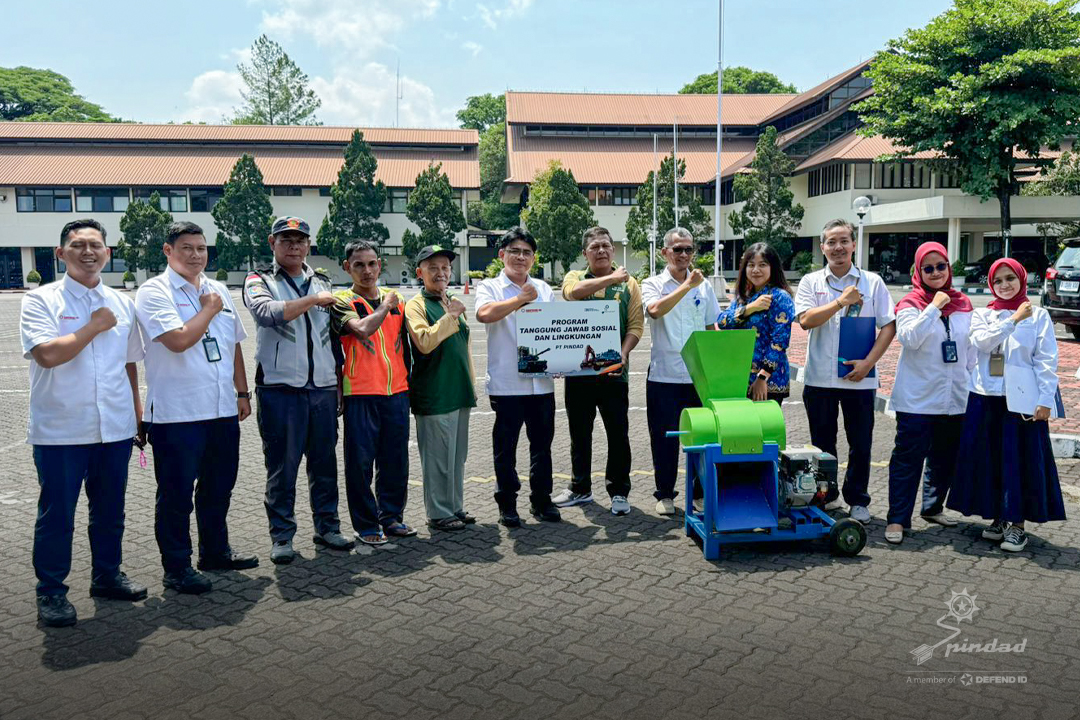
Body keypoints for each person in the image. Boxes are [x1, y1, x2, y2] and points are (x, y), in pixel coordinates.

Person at [20, 219, 148, 627]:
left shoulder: (122, 303)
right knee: (58, 515)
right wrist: (93, 326)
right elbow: (47, 355)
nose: (88, 252)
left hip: (114, 425)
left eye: (96, 245)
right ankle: (52, 593)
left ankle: (107, 576)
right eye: (78, 245)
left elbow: (129, 364)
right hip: (61, 429)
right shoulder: (41, 301)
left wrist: (137, 412)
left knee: (110, 510)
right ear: (61, 254)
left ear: (108, 253)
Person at [135, 221, 257, 595]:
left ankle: (215, 552)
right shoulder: (153, 292)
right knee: (175, 495)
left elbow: (234, 343)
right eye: (186, 248)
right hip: (177, 414)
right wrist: (208, 308)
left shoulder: (216, 288)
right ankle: (177, 567)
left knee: (218, 487)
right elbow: (178, 340)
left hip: (220, 408)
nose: (195, 255)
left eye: (201, 248)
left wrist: (242, 392)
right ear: (168, 251)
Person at [243, 216, 354, 564]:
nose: (294, 245)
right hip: (280, 391)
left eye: (300, 240)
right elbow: (265, 313)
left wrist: (336, 383)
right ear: (272, 242)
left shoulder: (321, 279)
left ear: (308, 244)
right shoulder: (258, 279)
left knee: (324, 466)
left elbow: (334, 336)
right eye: (286, 239)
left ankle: (327, 527)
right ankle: (282, 536)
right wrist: (311, 300)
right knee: (282, 469)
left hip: (321, 389)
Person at [947, 258, 1066, 552]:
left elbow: (1046, 360)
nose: (1004, 285)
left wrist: (1045, 400)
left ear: (1022, 279)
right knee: (989, 459)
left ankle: (1017, 525)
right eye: (997, 280)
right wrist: (1012, 320)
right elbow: (983, 344)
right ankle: (999, 517)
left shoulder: (1038, 316)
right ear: (990, 284)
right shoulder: (982, 315)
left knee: (1019, 460)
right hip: (985, 396)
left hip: (1021, 400)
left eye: (1010, 278)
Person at [794, 219, 896, 524]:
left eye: (844, 241)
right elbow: (806, 321)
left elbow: (888, 326)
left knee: (860, 443)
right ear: (822, 247)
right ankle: (825, 496)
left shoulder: (872, 282)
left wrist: (869, 363)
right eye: (831, 242)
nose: (837, 248)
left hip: (859, 378)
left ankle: (858, 499)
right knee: (822, 444)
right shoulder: (812, 282)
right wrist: (841, 301)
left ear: (853, 244)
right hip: (820, 378)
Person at [884, 242, 973, 544]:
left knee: (945, 459)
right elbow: (910, 339)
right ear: (919, 272)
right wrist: (934, 306)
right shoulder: (910, 303)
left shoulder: (964, 304)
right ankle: (897, 519)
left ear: (949, 268)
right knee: (908, 460)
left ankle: (933, 507)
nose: (936, 272)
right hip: (918, 399)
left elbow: (970, 351)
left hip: (956, 399)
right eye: (928, 268)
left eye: (941, 266)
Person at [553, 226, 644, 515]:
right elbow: (571, 294)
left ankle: (619, 491)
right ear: (585, 253)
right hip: (579, 373)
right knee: (580, 433)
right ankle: (580, 488)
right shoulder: (575, 277)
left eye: (606, 245)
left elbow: (636, 325)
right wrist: (610, 278)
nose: (601, 250)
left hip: (614, 372)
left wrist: (624, 354)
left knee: (618, 434)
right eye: (595, 247)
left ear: (613, 249)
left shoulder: (629, 284)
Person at [331, 240, 414, 546]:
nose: (367, 271)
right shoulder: (342, 301)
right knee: (360, 463)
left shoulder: (399, 302)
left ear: (380, 265)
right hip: (361, 393)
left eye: (372, 264)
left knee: (395, 460)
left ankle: (391, 518)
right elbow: (362, 329)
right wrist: (385, 306)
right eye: (358, 265)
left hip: (397, 392)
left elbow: (409, 345)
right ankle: (366, 525)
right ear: (346, 268)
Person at [475, 227, 560, 527]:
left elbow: (555, 330)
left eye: (526, 252)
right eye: (514, 251)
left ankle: (541, 500)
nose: (520, 257)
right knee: (506, 447)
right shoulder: (490, 287)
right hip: (508, 384)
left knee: (542, 446)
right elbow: (484, 314)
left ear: (533, 258)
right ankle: (507, 504)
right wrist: (521, 299)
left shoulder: (544, 288)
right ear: (502, 255)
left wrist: (563, 360)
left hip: (542, 384)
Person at [641, 227, 721, 516]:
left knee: (702, 436)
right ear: (664, 252)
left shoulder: (705, 286)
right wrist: (687, 286)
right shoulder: (652, 283)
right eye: (678, 249)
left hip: (699, 376)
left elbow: (712, 324)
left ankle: (699, 495)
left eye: (689, 249)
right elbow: (655, 311)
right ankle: (665, 493)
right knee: (664, 437)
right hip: (664, 374)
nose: (684, 255)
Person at [404, 244, 477, 532]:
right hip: (434, 392)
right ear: (420, 272)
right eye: (433, 268)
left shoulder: (453, 300)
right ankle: (438, 512)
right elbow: (423, 342)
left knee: (456, 456)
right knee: (437, 458)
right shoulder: (417, 305)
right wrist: (451, 316)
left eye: (445, 267)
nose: (441, 273)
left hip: (458, 389)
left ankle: (454, 506)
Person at [716, 242, 795, 404]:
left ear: (773, 267)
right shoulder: (743, 298)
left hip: (768, 382)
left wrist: (762, 377)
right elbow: (722, 322)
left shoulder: (780, 297)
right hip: (739, 377)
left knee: (764, 427)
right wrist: (750, 308)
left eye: (762, 265)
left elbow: (779, 342)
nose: (756, 270)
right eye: (751, 265)